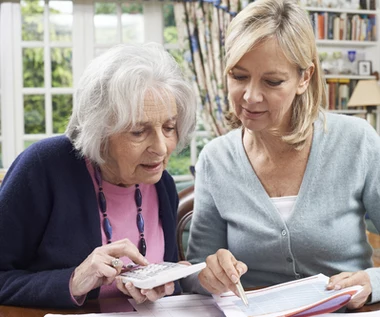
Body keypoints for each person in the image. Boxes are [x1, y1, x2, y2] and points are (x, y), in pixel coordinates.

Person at [183, 0, 380, 310]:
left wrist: (374, 282)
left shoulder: (357, 142)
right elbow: (196, 268)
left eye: (272, 82)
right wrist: (208, 274)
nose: (250, 96)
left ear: (304, 78)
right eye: (238, 76)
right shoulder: (215, 159)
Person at [0, 43, 197, 308]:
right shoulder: (43, 167)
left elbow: (164, 291)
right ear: (100, 132)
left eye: (169, 127)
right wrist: (74, 280)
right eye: (139, 132)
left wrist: (166, 284)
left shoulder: (162, 184)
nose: (161, 147)